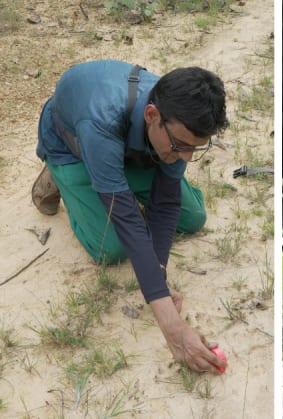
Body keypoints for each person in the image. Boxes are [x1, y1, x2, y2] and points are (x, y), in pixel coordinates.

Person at [32, 60, 228, 374]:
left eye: (196, 148)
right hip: (75, 144)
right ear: (152, 115)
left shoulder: (176, 125)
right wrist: (173, 329)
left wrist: (158, 276)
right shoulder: (102, 118)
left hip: (130, 148)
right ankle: (62, 176)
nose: (188, 157)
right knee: (111, 247)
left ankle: (113, 176)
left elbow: (165, 205)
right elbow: (128, 222)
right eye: (182, 146)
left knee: (193, 217)